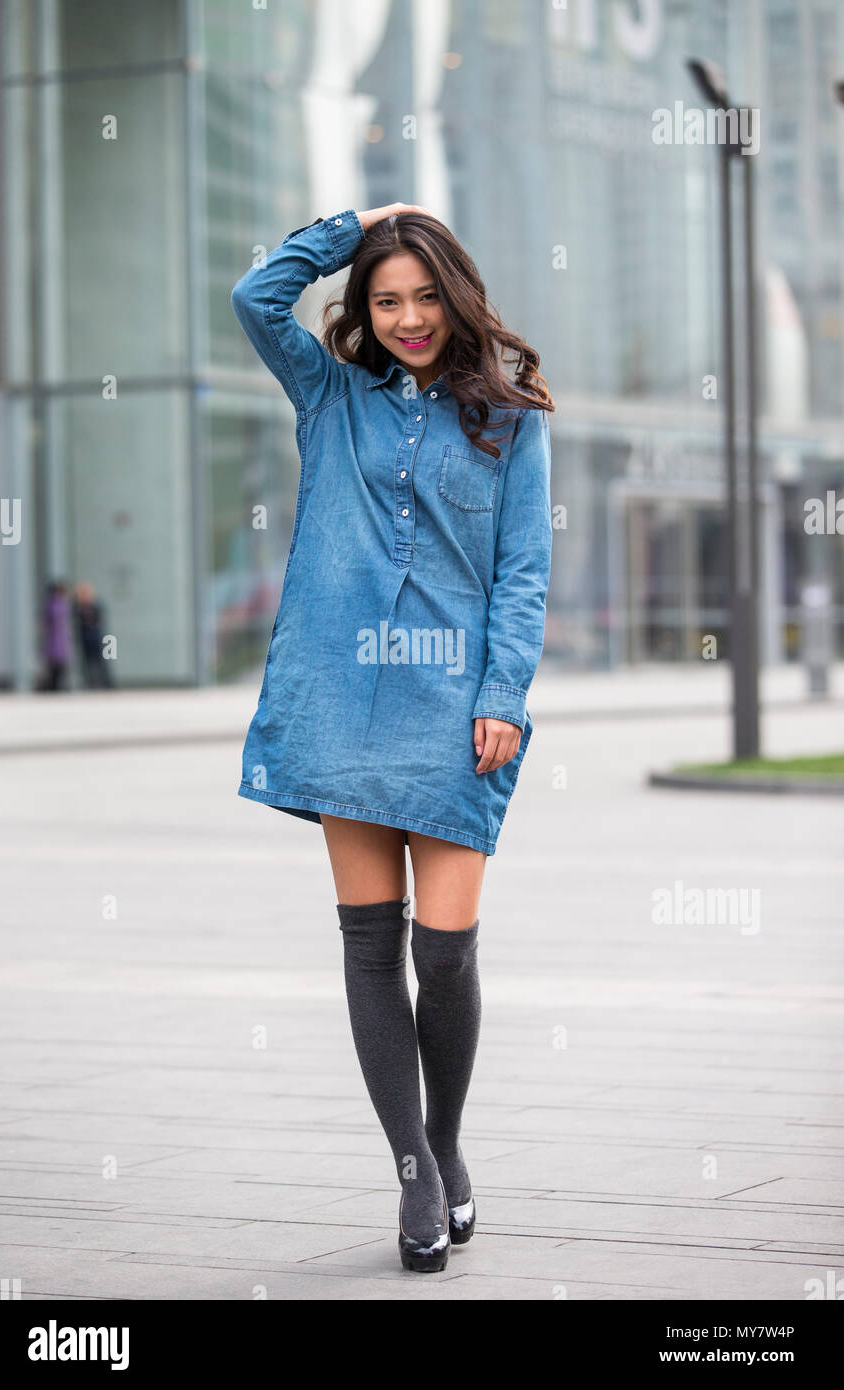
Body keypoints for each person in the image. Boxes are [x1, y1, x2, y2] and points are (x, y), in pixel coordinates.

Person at [231, 203, 554, 1273]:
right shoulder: (329, 395)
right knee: (369, 943)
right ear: (361, 311)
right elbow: (253, 296)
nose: (407, 317)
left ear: (452, 297)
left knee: (443, 952)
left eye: (423, 296)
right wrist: (354, 222)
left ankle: (446, 1139)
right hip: (338, 698)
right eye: (384, 300)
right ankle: (412, 1171)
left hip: (456, 709)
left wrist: (502, 691)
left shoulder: (511, 418)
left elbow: (520, 571)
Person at [73, 581, 113, 688]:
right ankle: (91, 684)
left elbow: (98, 619)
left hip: (97, 637)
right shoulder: (78, 607)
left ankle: (107, 684)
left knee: (102, 662)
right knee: (87, 663)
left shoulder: (96, 604)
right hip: (85, 638)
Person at [38, 580, 72, 692]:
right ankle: (55, 686)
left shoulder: (52, 603)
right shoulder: (57, 604)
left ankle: (55, 686)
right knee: (57, 665)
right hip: (56, 638)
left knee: (55, 665)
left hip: (56, 638)